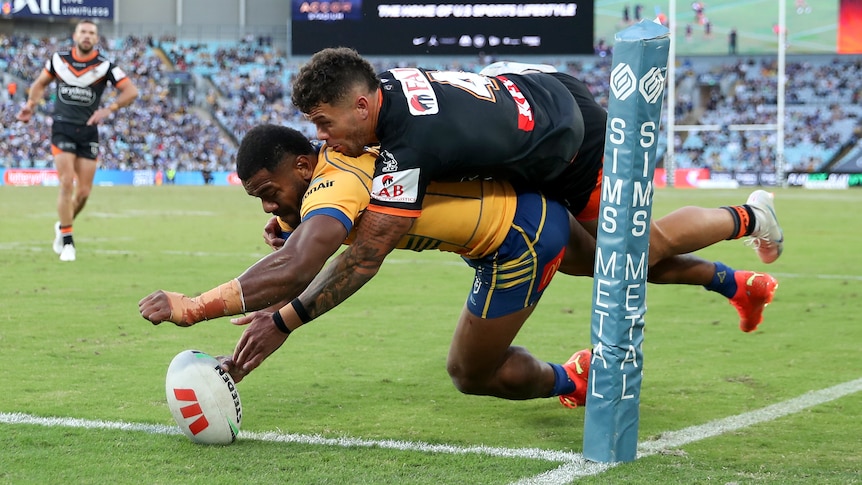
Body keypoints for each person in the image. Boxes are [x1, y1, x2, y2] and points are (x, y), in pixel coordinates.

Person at [222, 48, 783, 377]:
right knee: (587, 261)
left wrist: (285, 314)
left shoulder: (410, 142)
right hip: (529, 108)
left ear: (363, 105)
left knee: (631, 254)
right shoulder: (382, 93)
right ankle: (737, 284)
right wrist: (297, 217)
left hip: (569, 144)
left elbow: (367, 255)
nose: (320, 139)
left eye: (324, 123)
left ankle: (751, 217)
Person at [140, 124, 596, 407]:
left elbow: (300, 266)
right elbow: (294, 260)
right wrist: (276, 309)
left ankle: (573, 380)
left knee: (470, 372)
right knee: (640, 263)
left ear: (303, 166)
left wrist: (195, 307)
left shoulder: (336, 183)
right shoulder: (326, 172)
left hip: (517, 240)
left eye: (267, 191)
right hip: (524, 212)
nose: (266, 207)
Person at [16, 20, 139, 262]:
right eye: (83, 31)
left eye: (92, 33)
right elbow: (39, 84)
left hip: (89, 131)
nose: (87, 36)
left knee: (83, 193)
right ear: (75, 35)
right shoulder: (57, 60)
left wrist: (109, 108)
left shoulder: (105, 66)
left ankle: (62, 226)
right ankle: (68, 242)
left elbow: (131, 91)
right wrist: (30, 105)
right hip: (62, 128)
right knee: (65, 183)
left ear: (96, 38)